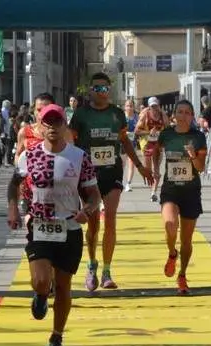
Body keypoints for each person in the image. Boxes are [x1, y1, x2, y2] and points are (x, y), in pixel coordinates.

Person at [7, 104, 101, 346]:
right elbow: (13, 184)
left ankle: (57, 335)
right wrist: (13, 209)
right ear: (40, 126)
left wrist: (87, 211)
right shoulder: (30, 155)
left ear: (64, 126)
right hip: (40, 225)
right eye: (47, 123)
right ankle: (39, 294)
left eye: (56, 122)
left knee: (63, 286)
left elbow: (94, 196)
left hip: (69, 228)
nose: (52, 128)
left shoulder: (79, 157)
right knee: (41, 280)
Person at [69, 73, 154, 292]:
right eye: (97, 88)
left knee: (111, 220)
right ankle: (91, 265)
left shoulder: (117, 114)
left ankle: (106, 270)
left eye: (105, 88)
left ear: (110, 89)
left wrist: (141, 166)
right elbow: (70, 142)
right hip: (88, 176)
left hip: (112, 171)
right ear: (90, 91)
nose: (101, 92)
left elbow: (125, 142)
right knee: (94, 224)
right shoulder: (81, 115)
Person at [156, 100, 208, 295]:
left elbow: (201, 168)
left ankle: (183, 274)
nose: (183, 115)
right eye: (180, 112)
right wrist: (155, 169)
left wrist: (193, 156)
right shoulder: (167, 134)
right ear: (174, 115)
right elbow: (155, 151)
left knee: (186, 239)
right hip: (170, 190)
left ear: (192, 116)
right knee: (170, 224)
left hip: (191, 192)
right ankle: (172, 253)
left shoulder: (198, 137)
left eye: (187, 112)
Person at [135, 97, 169, 203]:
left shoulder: (162, 115)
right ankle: (152, 188)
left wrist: (162, 134)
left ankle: (153, 193)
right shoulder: (145, 115)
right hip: (147, 144)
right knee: (149, 170)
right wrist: (149, 132)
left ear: (159, 105)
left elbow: (168, 129)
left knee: (156, 170)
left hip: (158, 145)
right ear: (149, 107)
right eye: (152, 106)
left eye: (156, 106)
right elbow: (137, 130)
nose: (155, 108)